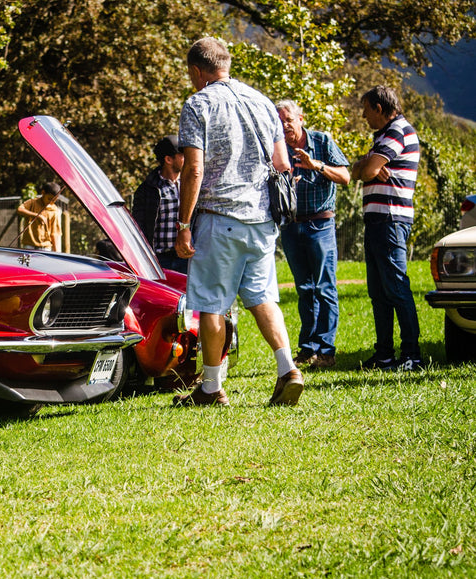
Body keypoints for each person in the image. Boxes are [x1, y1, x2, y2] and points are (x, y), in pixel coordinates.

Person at [174, 36, 303, 407]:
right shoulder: (262, 102)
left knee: (212, 304)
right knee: (263, 299)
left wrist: (184, 225)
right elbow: (282, 164)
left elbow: (193, 168)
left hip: (220, 217)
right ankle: (288, 370)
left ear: (197, 71)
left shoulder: (198, 104)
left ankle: (211, 388)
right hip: (263, 219)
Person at [350, 85, 423, 371]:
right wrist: (365, 164)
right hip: (378, 221)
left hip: (391, 220)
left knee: (396, 288)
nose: (364, 116)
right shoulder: (382, 136)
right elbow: (356, 170)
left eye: (366, 110)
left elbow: (364, 173)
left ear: (379, 108)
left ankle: (412, 355)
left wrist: (366, 166)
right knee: (379, 291)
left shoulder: (397, 132)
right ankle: (384, 356)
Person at [276, 99, 351, 370]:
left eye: (288, 120)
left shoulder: (322, 141)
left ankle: (327, 350)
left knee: (324, 287)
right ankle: (308, 348)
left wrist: (315, 165)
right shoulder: (278, 148)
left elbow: (345, 177)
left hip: (320, 224)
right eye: (280, 121)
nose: (284, 126)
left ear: (301, 119)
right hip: (292, 225)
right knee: (304, 289)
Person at [131, 135, 189, 272]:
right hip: (160, 260)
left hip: (186, 258)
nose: (186, 159)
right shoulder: (147, 189)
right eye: (181, 155)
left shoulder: (191, 185)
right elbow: (139, 226)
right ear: (168, 159)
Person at [17, 182, 62, 251]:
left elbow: (54, 233)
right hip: (29, 244)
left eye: (54, 200)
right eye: (49, 199)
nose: (51, 202)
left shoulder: (54, 211)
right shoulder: (33, 202)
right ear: (43, 193)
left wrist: (56, 251)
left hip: (45, 246)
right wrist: (36, 216)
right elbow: (20, 209)